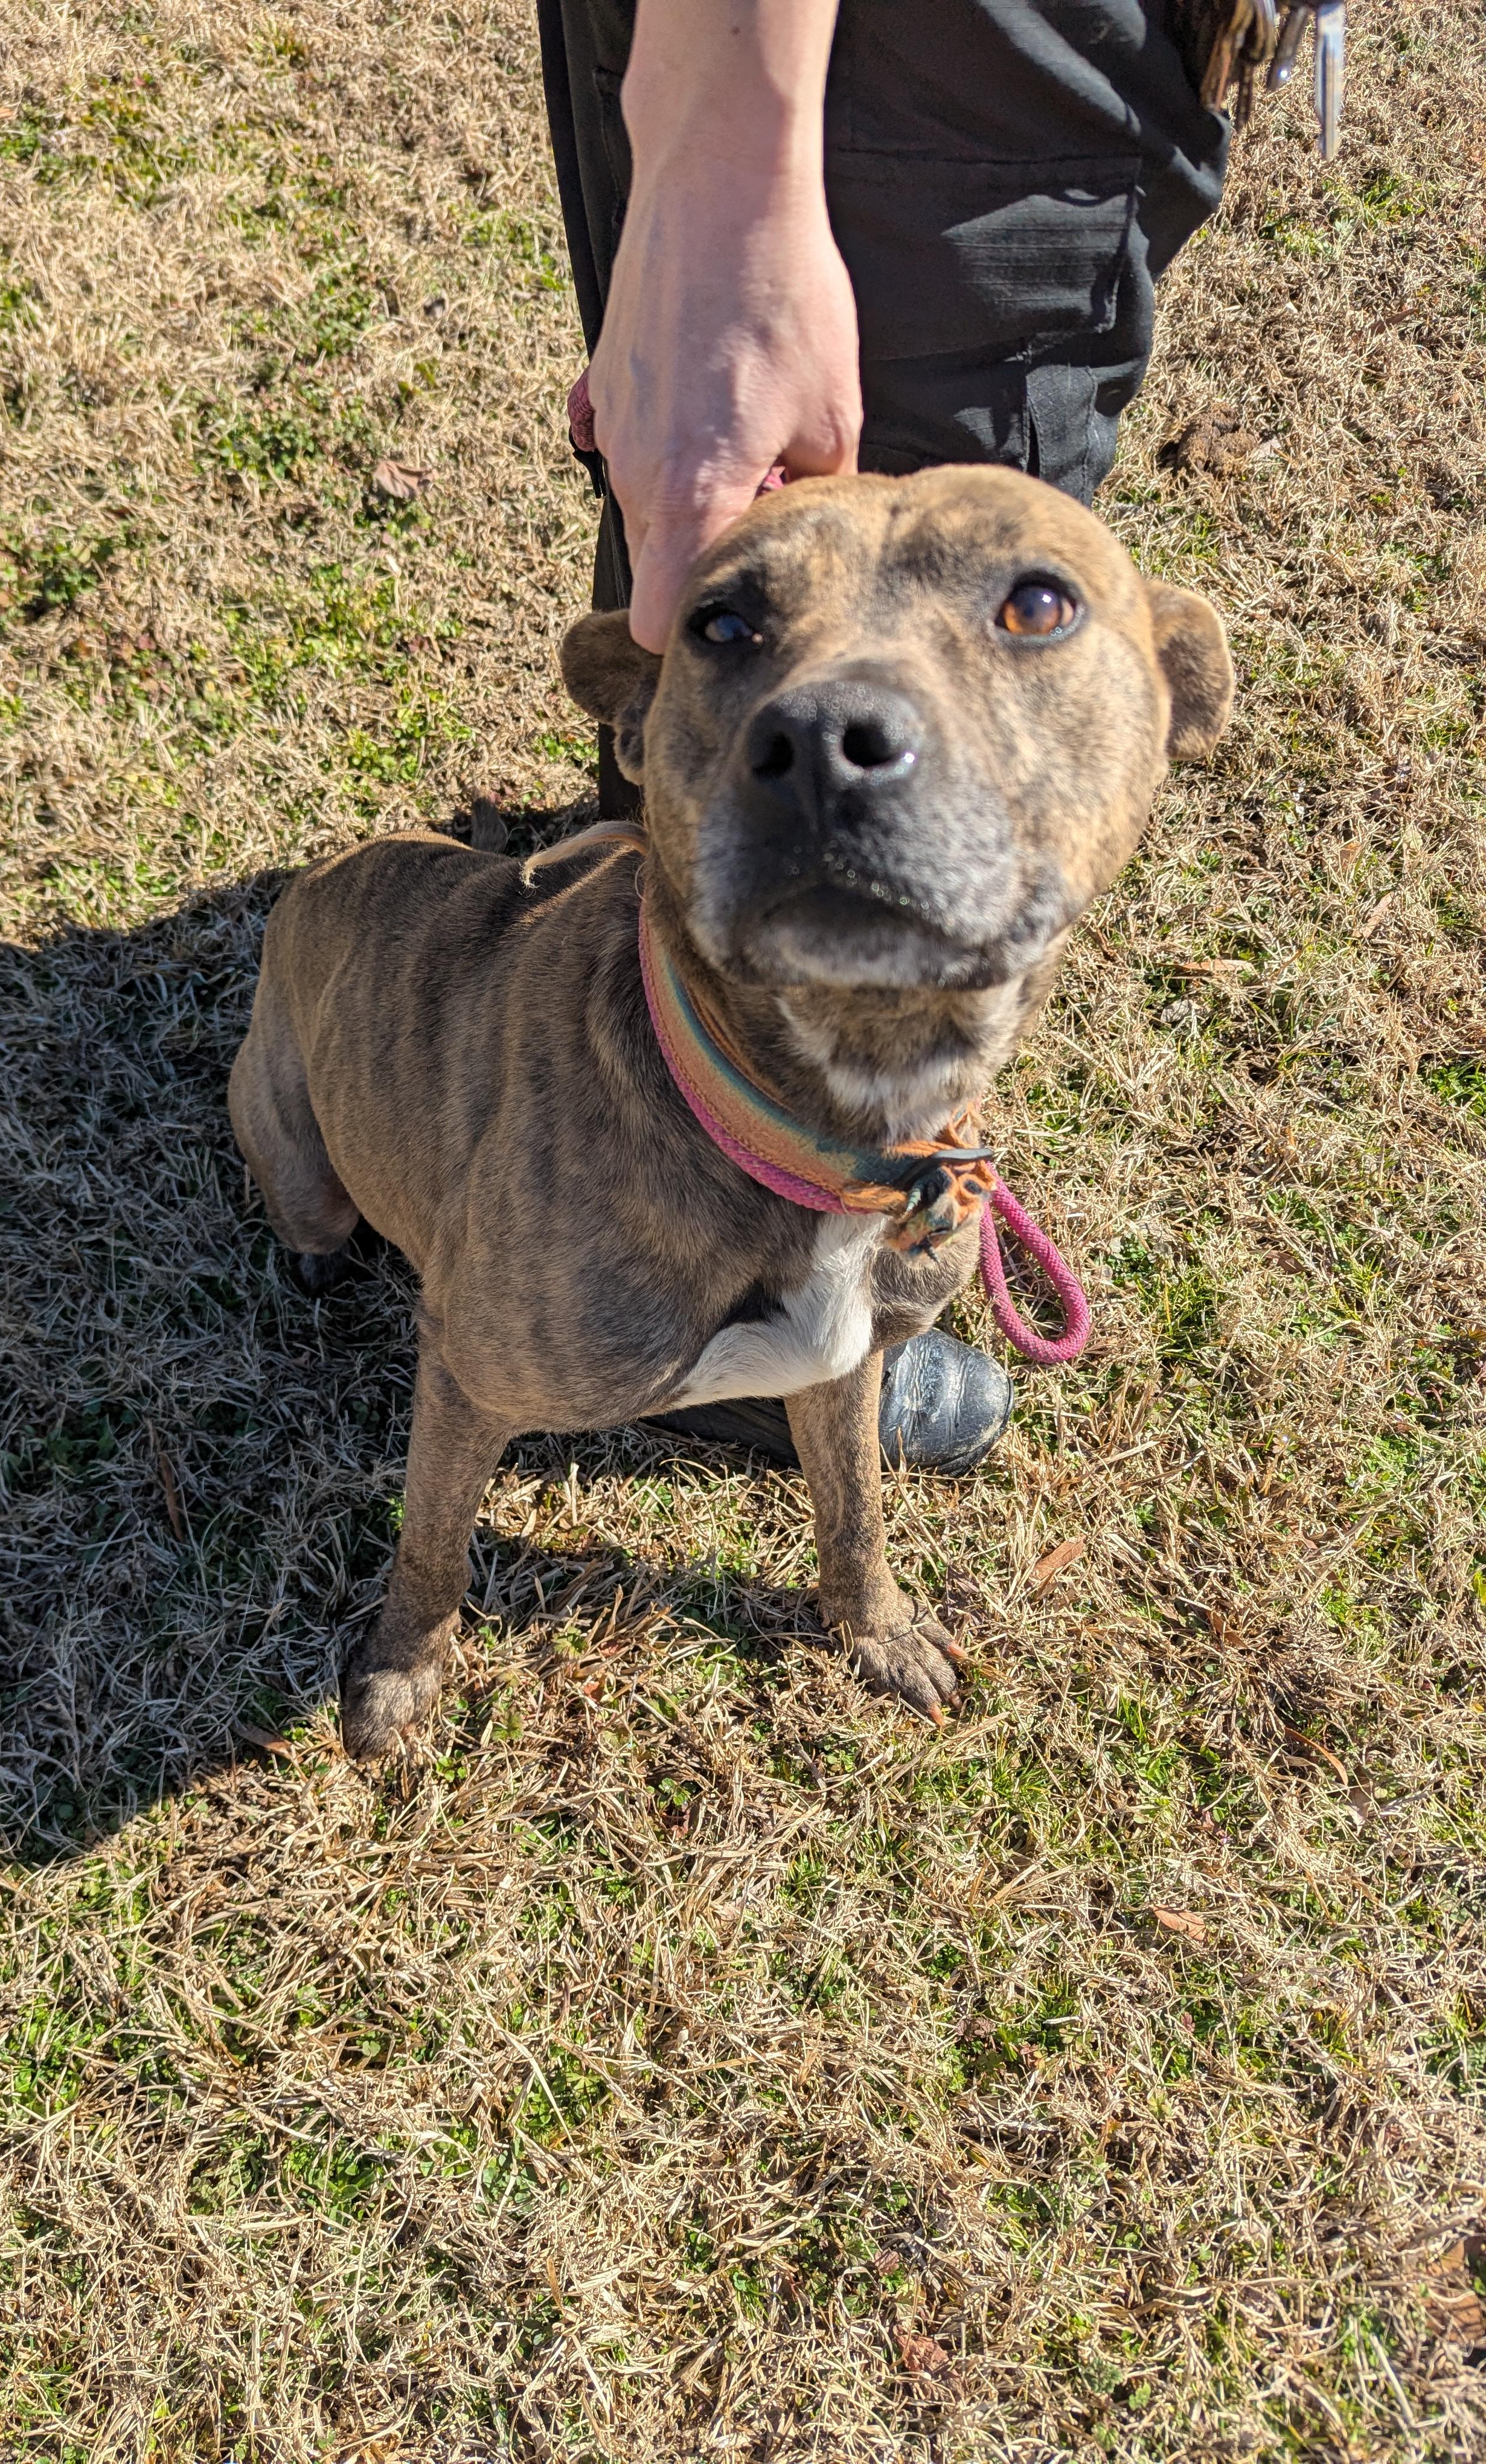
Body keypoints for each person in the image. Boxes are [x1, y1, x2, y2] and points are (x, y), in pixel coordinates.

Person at [537, 0, 1234, 1472]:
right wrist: (728, 148)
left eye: (1031, 612)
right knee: (760, 469)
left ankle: (817, 1222)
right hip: (947, 51)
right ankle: (730, 1308)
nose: (834, 726)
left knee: (742, 489)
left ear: (1179, 689)